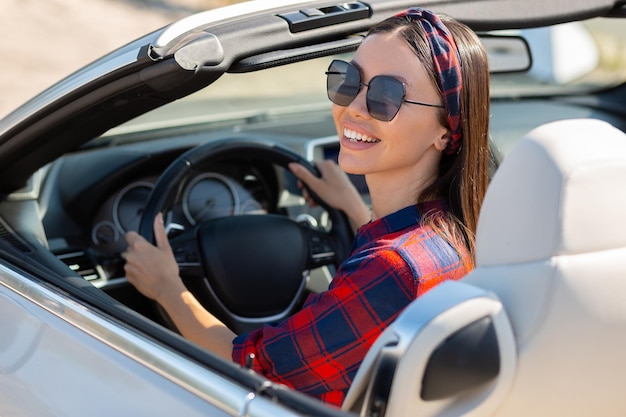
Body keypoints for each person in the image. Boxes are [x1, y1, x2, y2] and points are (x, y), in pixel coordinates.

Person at [124, 7, 491, 407]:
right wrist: (354, 209)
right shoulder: (461, 232)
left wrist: (166, 287)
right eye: (348, 80)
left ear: (445, 130)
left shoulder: (391, 271)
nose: (353, 107)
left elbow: (249, 370)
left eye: (388, 95)